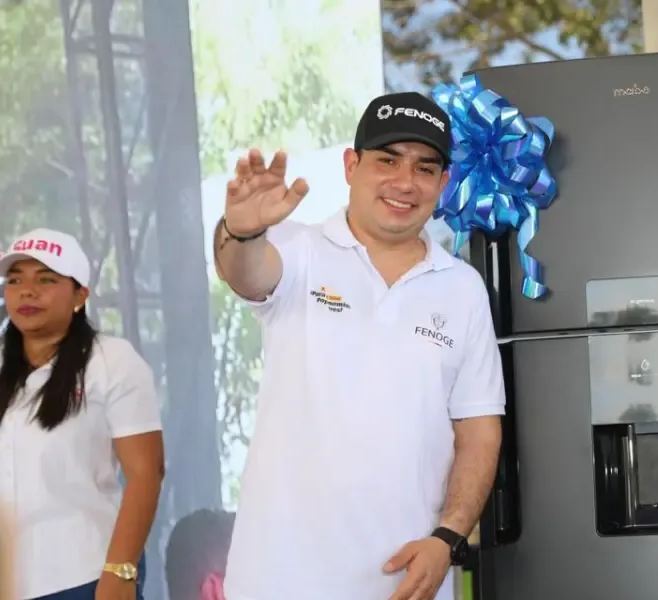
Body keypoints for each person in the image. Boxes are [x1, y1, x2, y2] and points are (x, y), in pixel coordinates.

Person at [212, 92, 505, 600]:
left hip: (405, 583)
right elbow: (246, 273)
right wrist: (240, 232)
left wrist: (448, 538)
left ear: (443, 183)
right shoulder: (296, 248)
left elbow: (479, 432)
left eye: (424, 168)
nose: (404, 182)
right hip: (279, 580)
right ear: (351, 165)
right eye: (387, 160)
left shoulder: (462, 288)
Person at [0, 229, 165, 600]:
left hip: (83, 576)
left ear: (79, 295)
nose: (27, 291)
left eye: (46, 280)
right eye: (15, 280)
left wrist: (120, 572)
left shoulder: (112, 361)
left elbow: (146, 473)